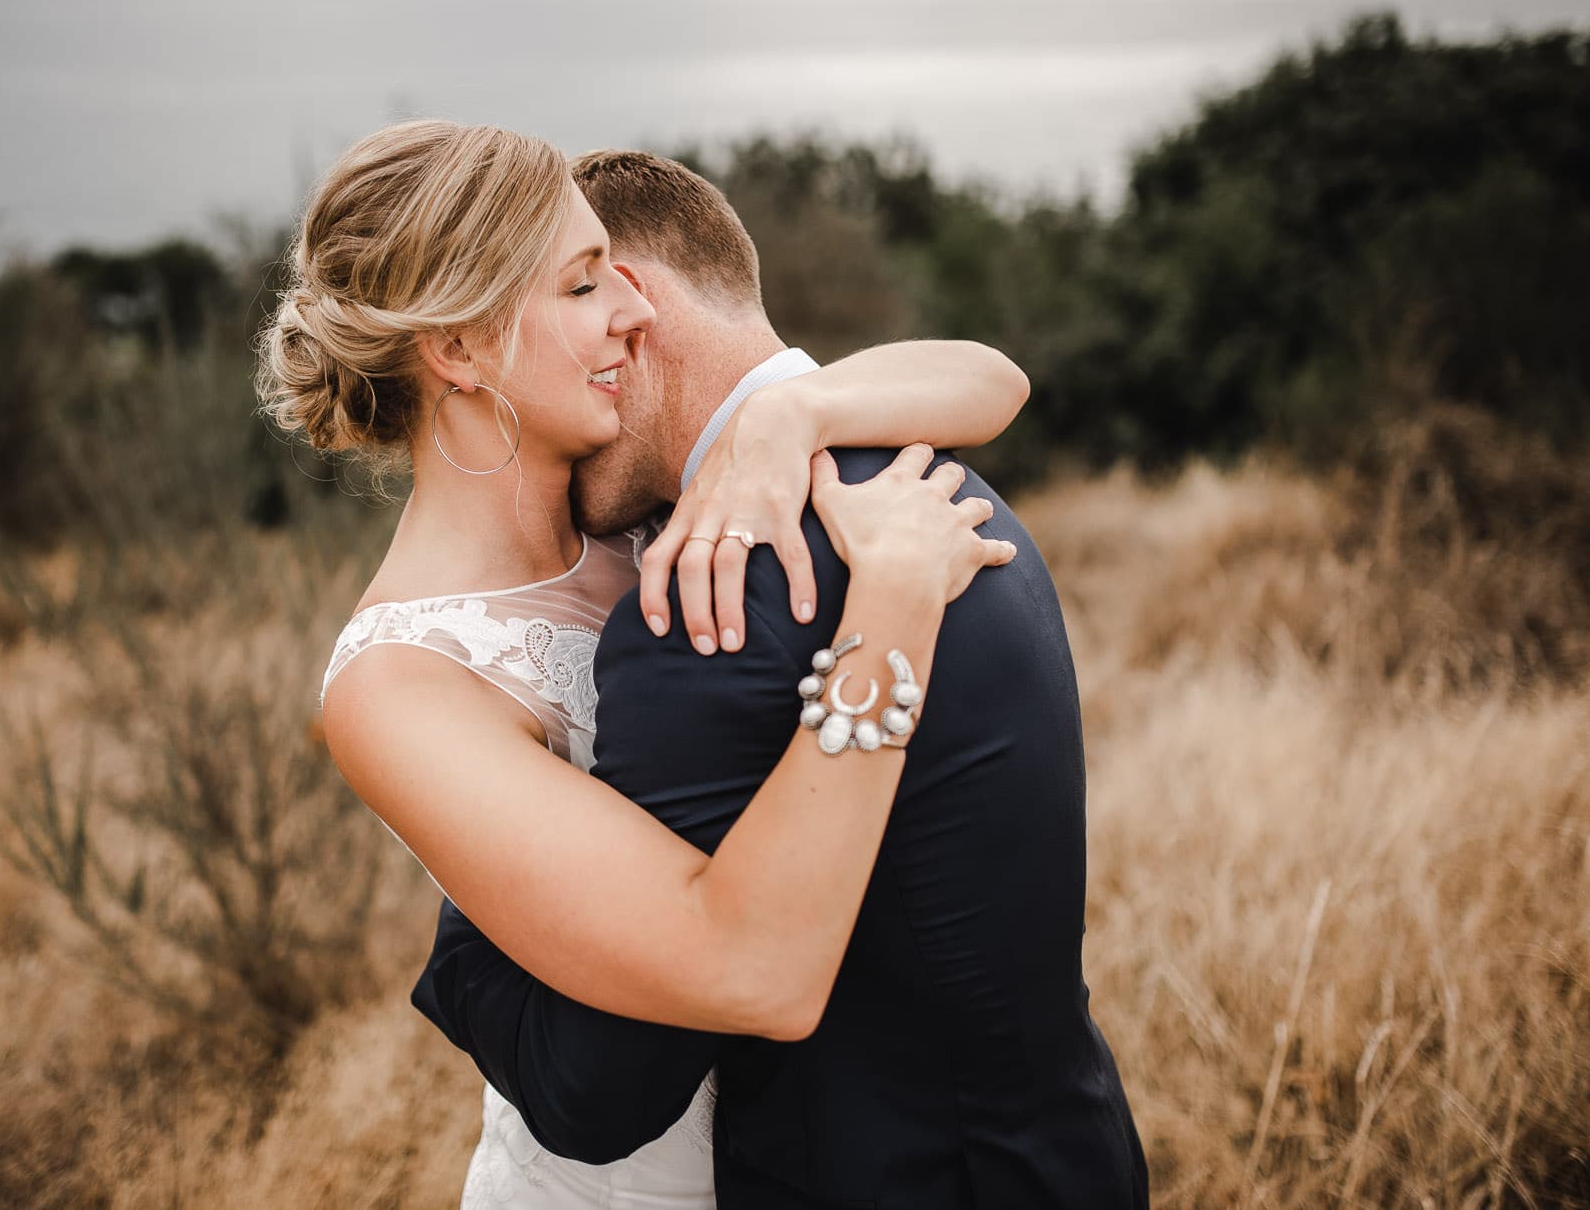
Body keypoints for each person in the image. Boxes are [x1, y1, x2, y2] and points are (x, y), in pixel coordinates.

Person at [259, 120, 1031, 1208]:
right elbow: (748, 967)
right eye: (582, 285)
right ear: (460, 349)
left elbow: (988, 377)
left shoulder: (655, 511)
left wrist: (791, 408)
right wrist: (893, 601)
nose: (635, 309)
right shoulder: (399, 681)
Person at [408, 150, 1150, 1207]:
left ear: (626, 307)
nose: (555, 472)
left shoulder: (709, 595)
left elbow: (599, 1088)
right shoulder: (923, 471)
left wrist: (470, 885)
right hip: (1065, 1155)